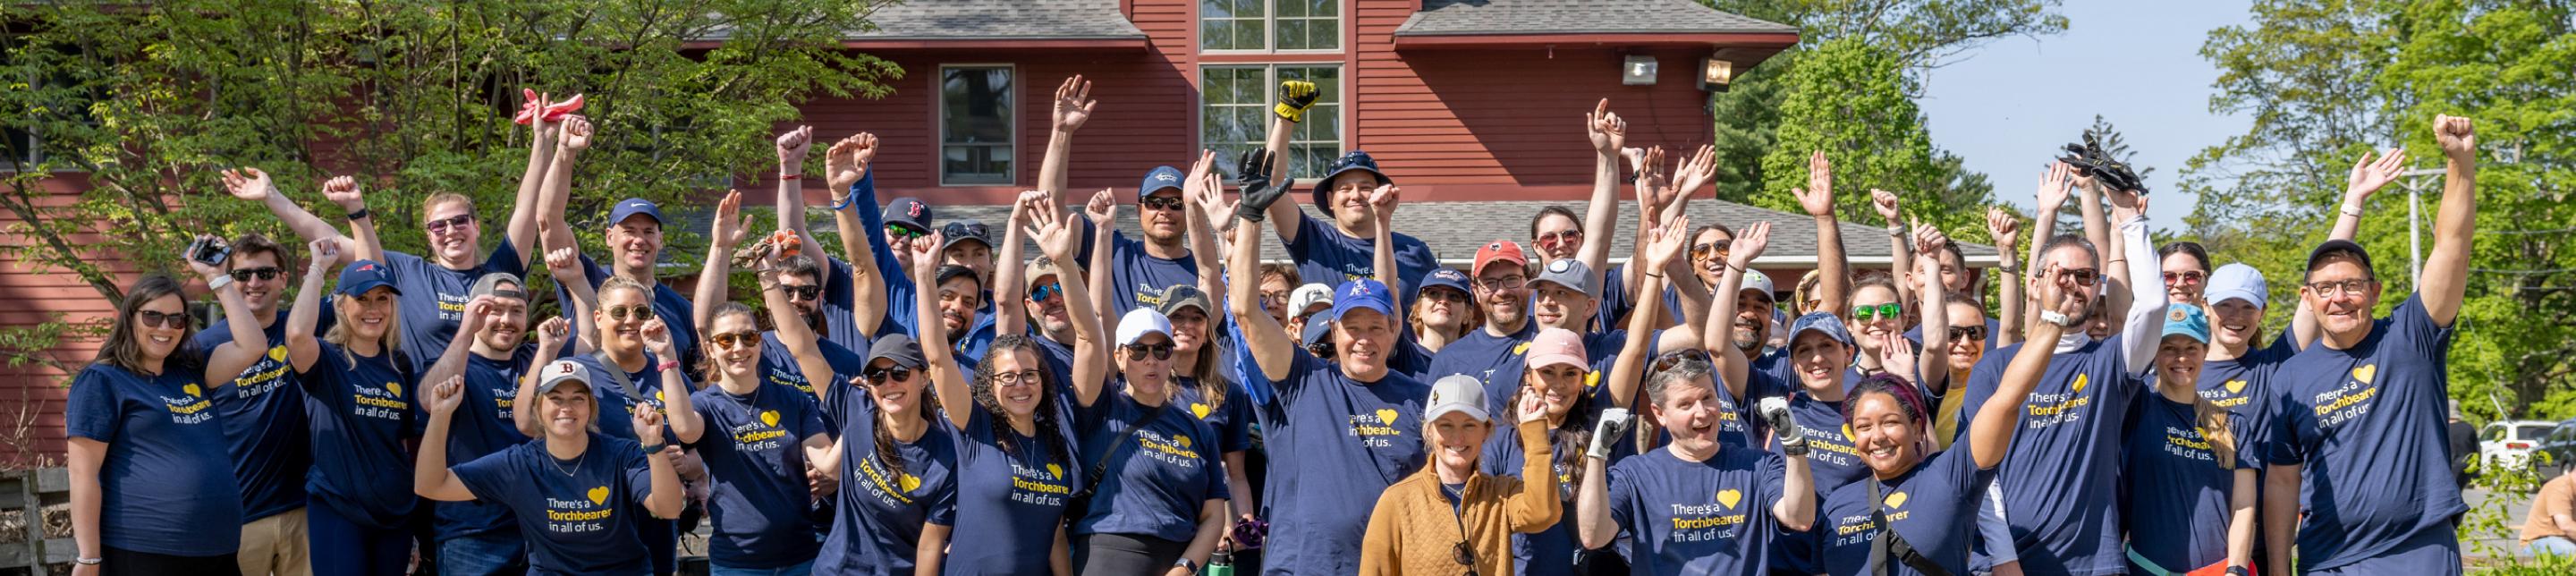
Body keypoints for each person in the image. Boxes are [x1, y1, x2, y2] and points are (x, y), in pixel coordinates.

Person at [2263, 115, 2479, 575]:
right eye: (2325, 288)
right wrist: (2280, 570)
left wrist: (2460, 163)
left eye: (2352, 285)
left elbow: (2452, 247)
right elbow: (2283, 480)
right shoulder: (2290, 377)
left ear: (2375, 291)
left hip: (2418, 550)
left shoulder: (2411, 336)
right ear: (2307, 298)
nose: (2339, 297)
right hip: (2329, 560)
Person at [1956, 167, 2166, 575]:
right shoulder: (1996, 367)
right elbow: (1981, 473)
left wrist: (2129, 217)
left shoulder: (2111, 362)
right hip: (2008, 563)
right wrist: (2004, 559)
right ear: (2035, 285)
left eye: (2085, 276)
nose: (2072, 284)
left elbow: (2154, 305)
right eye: (2059, 274)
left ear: (2097, 287)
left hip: (2094, 565)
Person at [1226, 157, 1431, 573]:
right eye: (1353, 327)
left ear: (1395, 330)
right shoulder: (1305, 380)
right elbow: (1245, 309)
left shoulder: (1421, 398)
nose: (1364, 338)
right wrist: (1250, 216)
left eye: (1376, 326)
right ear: (1334, 330)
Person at [1817, 268, 2084, 575]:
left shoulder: (1950, 477)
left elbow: (2006, 400)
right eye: (1864, 427)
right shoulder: (1835, 505)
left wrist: (2053, 319)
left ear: (1917, 426)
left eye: (1890, 422)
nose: (1877, 436)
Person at [68, 247, 270, 575]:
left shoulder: (190, 370)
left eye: (177, 319)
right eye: (152, 316)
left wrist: (217, 277)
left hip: (217, 548)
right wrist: (89, 557)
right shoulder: (103, 380)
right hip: (146, 550)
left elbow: (254, 346)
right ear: (130, 316)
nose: (166, 327)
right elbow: (82, 473)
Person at [913, 219, 1082, 573]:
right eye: (1007, 376)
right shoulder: (975, 427)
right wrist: (925, 276)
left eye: (1029, 375)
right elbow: (938, 359)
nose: (1019, 384)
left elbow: (1055, 538)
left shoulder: (1055, 444)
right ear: (990, 383)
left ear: (1043, 381)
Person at [414, 360, 686, 575]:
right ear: (538, 407)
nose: (566, 407)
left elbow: (669, 508)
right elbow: (431, 485)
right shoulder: (519, 463)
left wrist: (653, 445)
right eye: (555, 398)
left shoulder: (620, 453)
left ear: (591, 408)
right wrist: (440, 415)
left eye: (577, 398)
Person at [1572, 350, 1817, 574]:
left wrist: (1794, 444)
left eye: (1708, 397)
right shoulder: (1634, 474)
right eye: (1685, 404)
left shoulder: (1757, 465)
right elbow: (1594, 536)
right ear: (1659, 414)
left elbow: (1800, 518)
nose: (1702, 412)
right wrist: (1597, 454)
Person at [673, 258, 836, 576]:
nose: (739, 347)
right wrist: (667, 360)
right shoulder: (705, 404)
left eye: (749, 337)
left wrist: (861, 414)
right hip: (738, 561)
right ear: (711, 348)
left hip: (802, 556)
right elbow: (684, 430)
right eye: (726, 340)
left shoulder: (793, 398)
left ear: (760, 343)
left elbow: (829, 463)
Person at [279, 251, 422, 576]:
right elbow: (297, 335)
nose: (374, 309)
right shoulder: (326, 359)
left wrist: (414, 524)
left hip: (395, 513)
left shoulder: (399, 364)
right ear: (342, 305)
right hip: (338, 508)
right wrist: (317, 267)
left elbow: (403, 442)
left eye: (382, 299)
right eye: (363, 299)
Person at [1247, 80, 1440, 307]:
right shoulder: (1314, 240)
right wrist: (1286, 118)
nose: (1356, 195)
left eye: (1366, 187)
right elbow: (1271, 182)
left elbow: (1440, 314)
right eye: (1345, 188)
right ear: (1330, 200)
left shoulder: (1413, 251)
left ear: (1380, 193)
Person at [1067, 307, 1231, 574]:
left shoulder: (1199, 431)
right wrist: (1064, 264)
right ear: (1119, 357)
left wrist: (1185, 568)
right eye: (1138, 350)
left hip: (1177, 561)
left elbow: (1214, 515)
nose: (1151, 359)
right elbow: (1087, 335)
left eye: (1161, 349)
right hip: (1109, 557)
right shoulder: (1102, 408)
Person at [411, 273, 555, 576]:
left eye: (517, 310)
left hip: (537, 530)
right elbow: (428, 399)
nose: (506, 319)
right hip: (473, 535)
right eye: (495, 309)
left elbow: (592, 342)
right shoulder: (454, 363)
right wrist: (466, 330)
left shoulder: (537, 359)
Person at [197, 233, 320, 576]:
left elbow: (366, 266)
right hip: (238, 514)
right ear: (229, 279)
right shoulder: (203, 347)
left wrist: (353, 212)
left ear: (283, 279)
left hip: (305, 509)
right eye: (242, 274)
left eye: (265, 273)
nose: (254, 282)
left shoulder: (306, 327)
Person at [1360, 374, 1560, 574]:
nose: (1458, 437)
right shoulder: (1396, 501)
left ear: (1486, 431)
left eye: (1469, 425)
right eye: (1446, 425)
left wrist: (1534, 432)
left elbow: (1543, 514)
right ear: (1429, 431)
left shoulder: (1502, 493)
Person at [2121, 304, 2257, 574]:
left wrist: (2236, 569)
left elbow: (2244, 506)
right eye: (2169, 348)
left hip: (2217, 572)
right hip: (2146, 569)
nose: (2180, 358)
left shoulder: (2231, 423)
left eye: (2191, 348)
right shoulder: (2137, 409)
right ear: (2155, 353)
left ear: (2205, 352)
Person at [811, 335, 961, 574]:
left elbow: (929, 547)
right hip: (834, 569)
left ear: (924, 378)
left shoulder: (946, 457)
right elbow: (803, 349)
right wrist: (772, 293)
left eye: (900, 372)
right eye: (877, 376)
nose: (888, 382)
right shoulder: (857, 410)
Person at [2521, 468, 2576, 558]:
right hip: (2540, 541)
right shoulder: (2560, 487)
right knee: (2572, 553)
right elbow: (2566, 526)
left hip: (2570, 540)